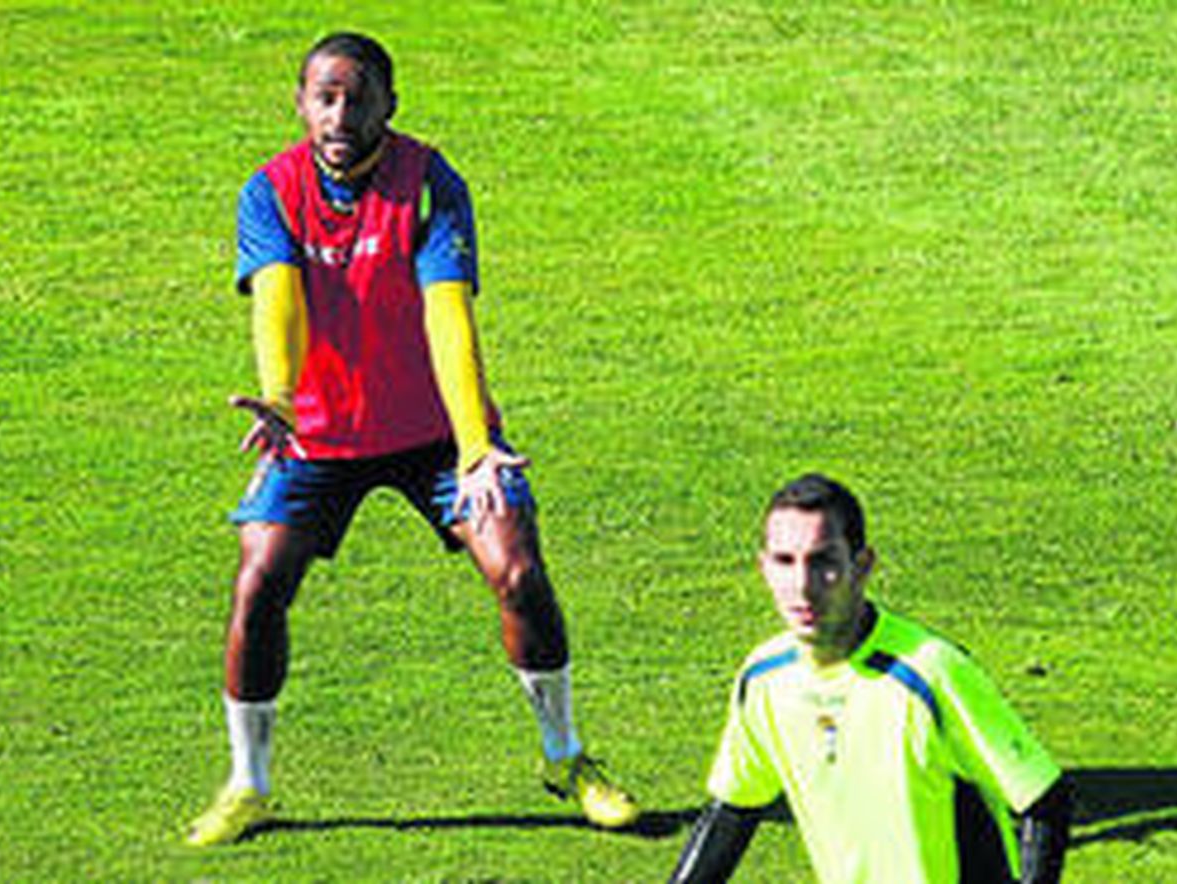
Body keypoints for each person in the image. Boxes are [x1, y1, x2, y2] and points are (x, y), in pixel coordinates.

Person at [185, 32, 638, 847]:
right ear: (299, 103)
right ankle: (248, 783)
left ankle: (566, 758)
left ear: (390, 104)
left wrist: (473, 444)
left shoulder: (429, 182)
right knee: (258, 585)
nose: (341, 113)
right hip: (317, 436)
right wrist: (282, 398)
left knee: (519, 570)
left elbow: (445, 312)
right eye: (325, 96)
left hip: (435, 435)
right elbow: (279, 300)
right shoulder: (272, 192)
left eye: (358, 97)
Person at [670, 474, 1072, 882]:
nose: (802, 586)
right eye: (784, 561)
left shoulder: (930, 673)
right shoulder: (765, 679)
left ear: (861, 566)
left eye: (823, 562)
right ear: (763, 568)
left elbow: (1044, 800)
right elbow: (734, 811)